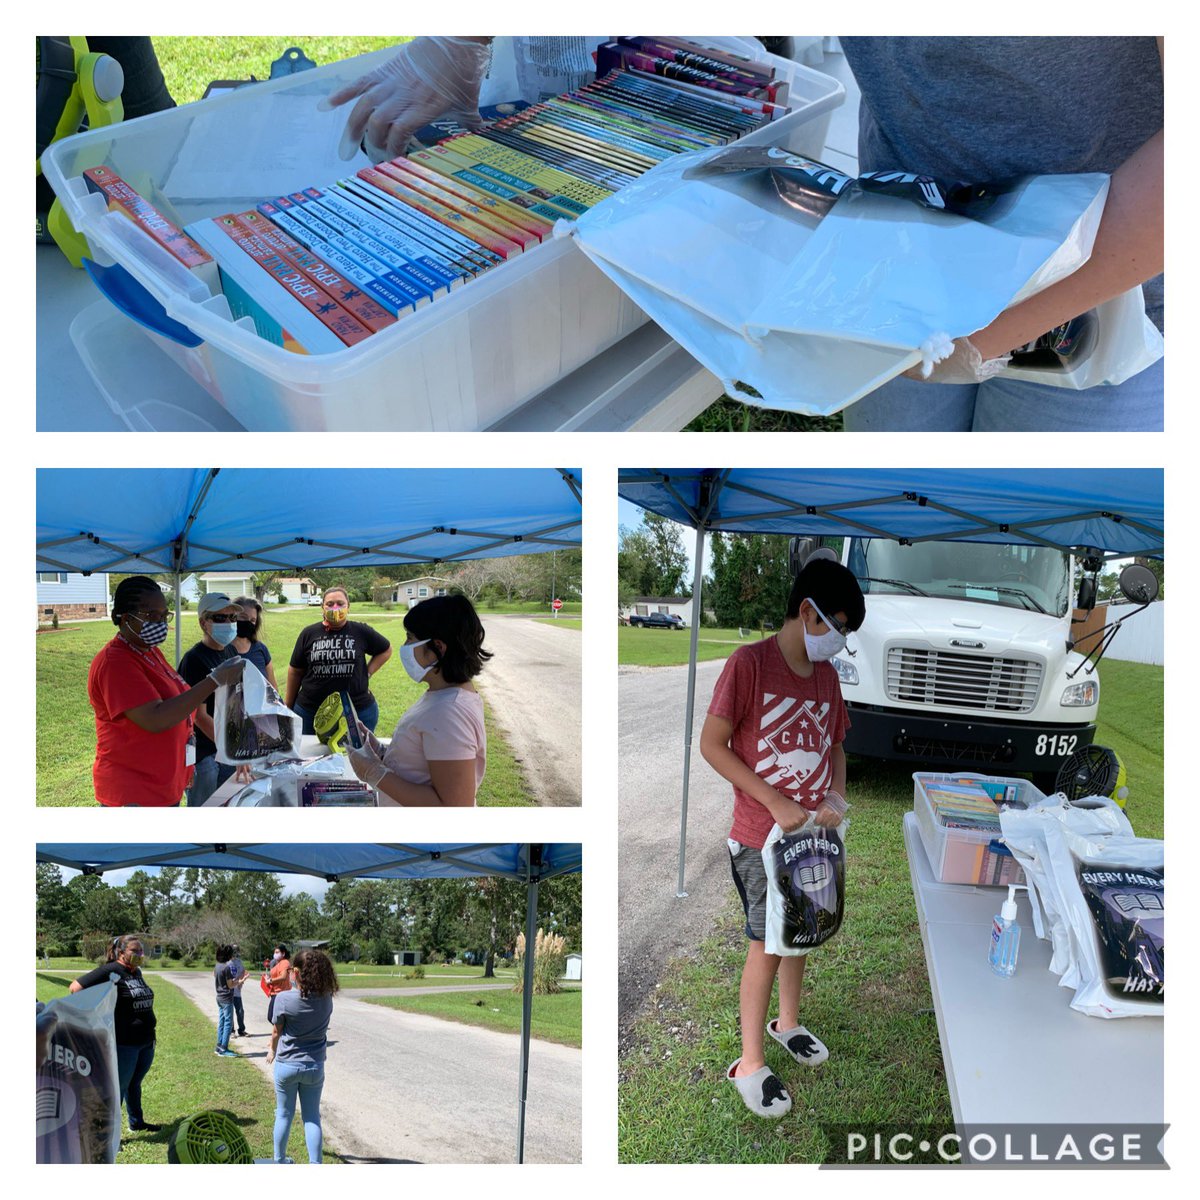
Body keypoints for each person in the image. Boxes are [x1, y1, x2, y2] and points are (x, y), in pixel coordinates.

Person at [837, 36, 1163, 433]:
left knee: (1014, 494)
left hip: (1101, 296)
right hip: (901, 254)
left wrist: (974, 343)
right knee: (891, 484)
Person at [699, 557, 865, 1119]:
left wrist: (834, 799)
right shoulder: (749, 664)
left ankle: (787, 1023)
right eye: (838, 626)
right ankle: (749, 1063)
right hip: (758, 838)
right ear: (806, 611)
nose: (840, 641)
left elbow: (836, 745)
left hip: (811, 840)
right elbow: (713, 745)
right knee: (767, 944)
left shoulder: (828, 678)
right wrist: (774, 800)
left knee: (805, 928)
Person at [87, 576, 245, 806]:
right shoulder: (115, 662)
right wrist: (213, 680)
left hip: (162, 784)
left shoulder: (148, 651)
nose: (160, 622)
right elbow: (156, 718)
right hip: (135, 792)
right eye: (151, 615)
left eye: (164, 615)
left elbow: (179, 700)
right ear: (125, 617)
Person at [347, 595, 490, 806]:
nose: (404, 645)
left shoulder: (449, 713)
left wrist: (374, 773)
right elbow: (423, 761)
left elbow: (455, 808)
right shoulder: (442, 695)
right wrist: (381, 751)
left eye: (410, 637)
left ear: (437, 649)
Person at [69, 935, 161, 1134]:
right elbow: (75, 988)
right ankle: (107, 1134)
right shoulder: (111, 970)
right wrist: (97, 1016)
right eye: (134, 951)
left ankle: (136, 1122)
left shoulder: (136, 972)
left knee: (134, 1084)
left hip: (145, 1041)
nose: (139, 954)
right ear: (121, 953)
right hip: (125, 1043)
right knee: (116, 1089)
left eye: (141, 951)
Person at [286, 587, 392, 734]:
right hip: (311, 712)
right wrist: (288, 706)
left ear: (348, 606)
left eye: (340, 603)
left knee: (355, 756)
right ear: (322, 607)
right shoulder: (309, 633)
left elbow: (386, 650)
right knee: (310, 755)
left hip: (357, 711)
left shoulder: (360, 631)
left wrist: (367, 673)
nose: (335, 608)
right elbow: (295, 671)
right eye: (330, 604)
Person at [267, 948, 339, 1164]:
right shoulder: (327, 999)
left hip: (287, 1065)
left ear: (296, 972)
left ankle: (279, 1161)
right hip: (314, 1066)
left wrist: (271, 1049)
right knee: (312, 1117)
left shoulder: (283, 999)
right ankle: (315, 1164)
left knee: (283, 1115)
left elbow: (276, 1032)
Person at [177, 592, 242, 806]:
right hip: (204, 752)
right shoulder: (194, 659)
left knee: (227, 805)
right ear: (204, 623)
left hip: (226, 746)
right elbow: (198, 715)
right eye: (220, 618)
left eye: (232, 618)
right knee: (203, 811)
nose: (229, 623)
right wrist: (230, 750)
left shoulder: (231, 650)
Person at [231, 596, 279, 689]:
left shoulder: (261, 649)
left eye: (253, 620)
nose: (248, 622)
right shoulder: (221, 650)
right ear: (232, 617)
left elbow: (273, 688)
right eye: (243, 617)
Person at [213, 945, 238, 1058]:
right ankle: (224, 1048)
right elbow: (230, 985)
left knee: (222, 1022)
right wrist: (239, 981)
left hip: (219, 997)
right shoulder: (226, 968)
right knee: (228, 1023)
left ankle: (219, 1046)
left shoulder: (217, 966)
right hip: (227, 998)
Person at [264, 944, 292, 1025]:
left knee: (272, 1017)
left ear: (283, 954)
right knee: (273, 1018)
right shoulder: (277, 963)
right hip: (275, 993)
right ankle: (281, 1034)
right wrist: (268, 978)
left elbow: (283, 977)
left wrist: (270, 980)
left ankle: (283, 1033)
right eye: (274, 952)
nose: (275, 954)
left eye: (277, 952)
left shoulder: (285, 962)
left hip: (280, 993)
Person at [229, 945, 249, 1039]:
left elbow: (243, 971)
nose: (235, 952)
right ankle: (231, 1031)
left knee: (240, 1011)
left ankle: (241, 1030)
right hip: (228, 991)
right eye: (233, 950)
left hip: (237, 991)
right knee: (230, 1012)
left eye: (236, 950)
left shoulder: (238, 961)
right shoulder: (226, 962)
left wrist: (241, 980)